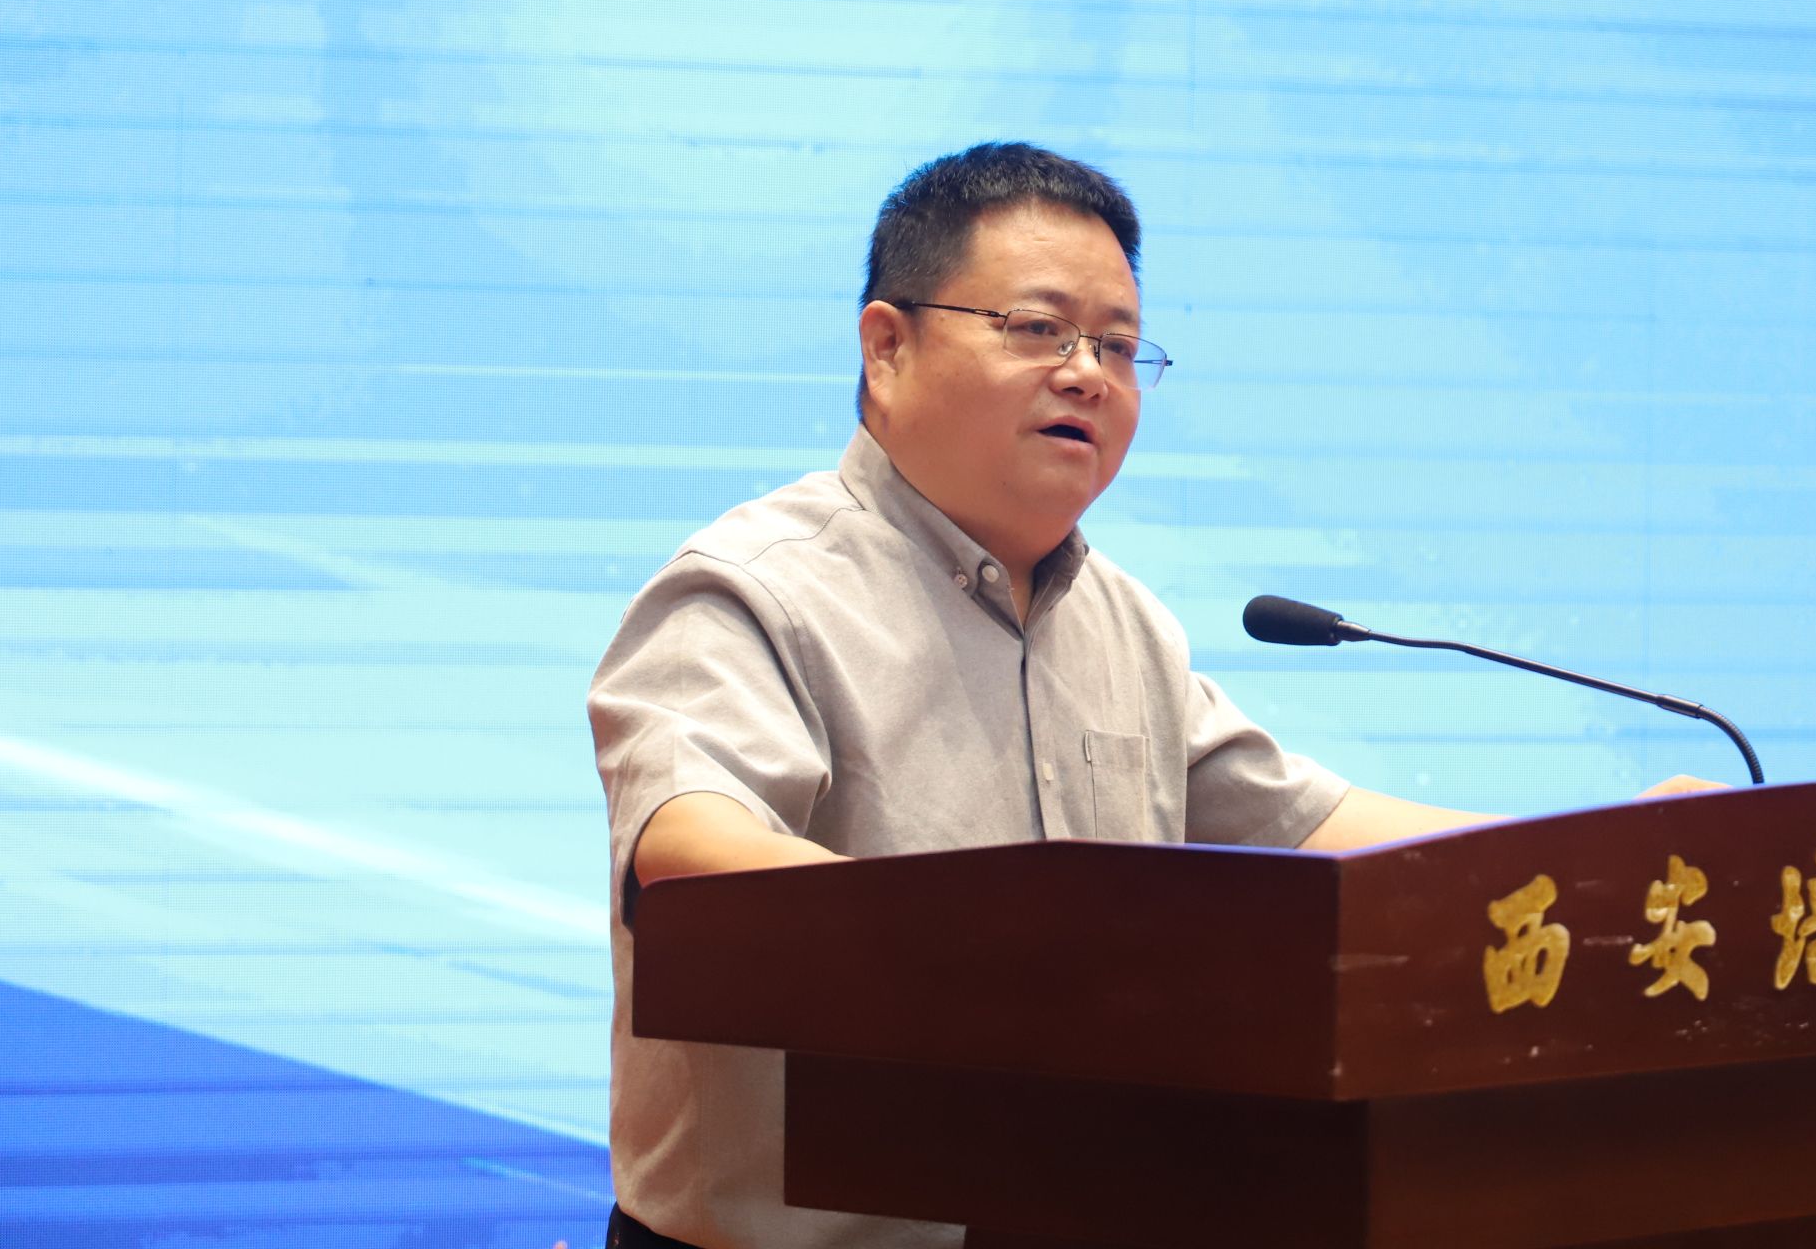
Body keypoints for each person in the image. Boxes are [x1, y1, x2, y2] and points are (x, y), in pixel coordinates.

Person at [588, 143, 1708, 1249]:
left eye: (1119, 346)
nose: (1088, 372)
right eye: (1038, 328)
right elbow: (691, 847)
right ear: (888, 346)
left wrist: (1606, 856)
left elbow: (1325, 833)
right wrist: (1003, 952)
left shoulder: (1124, 624)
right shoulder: (751, 588)